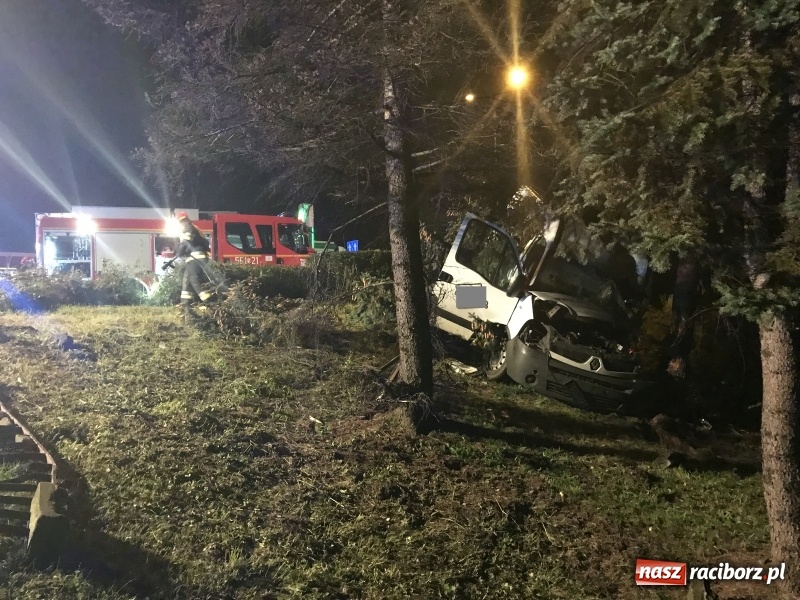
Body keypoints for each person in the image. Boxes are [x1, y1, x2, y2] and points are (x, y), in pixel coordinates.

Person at [175, 211, 215, 310]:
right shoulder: (195, 230)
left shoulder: (189, 230)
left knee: (193, 278)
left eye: (184, 221)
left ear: (188, 221)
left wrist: (178, 254)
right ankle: (185, 305)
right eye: (182, 222)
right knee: (186, 282)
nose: (183, 224)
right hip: (196, 258)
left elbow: (185, 244)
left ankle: (206, 299)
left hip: (196, 259)